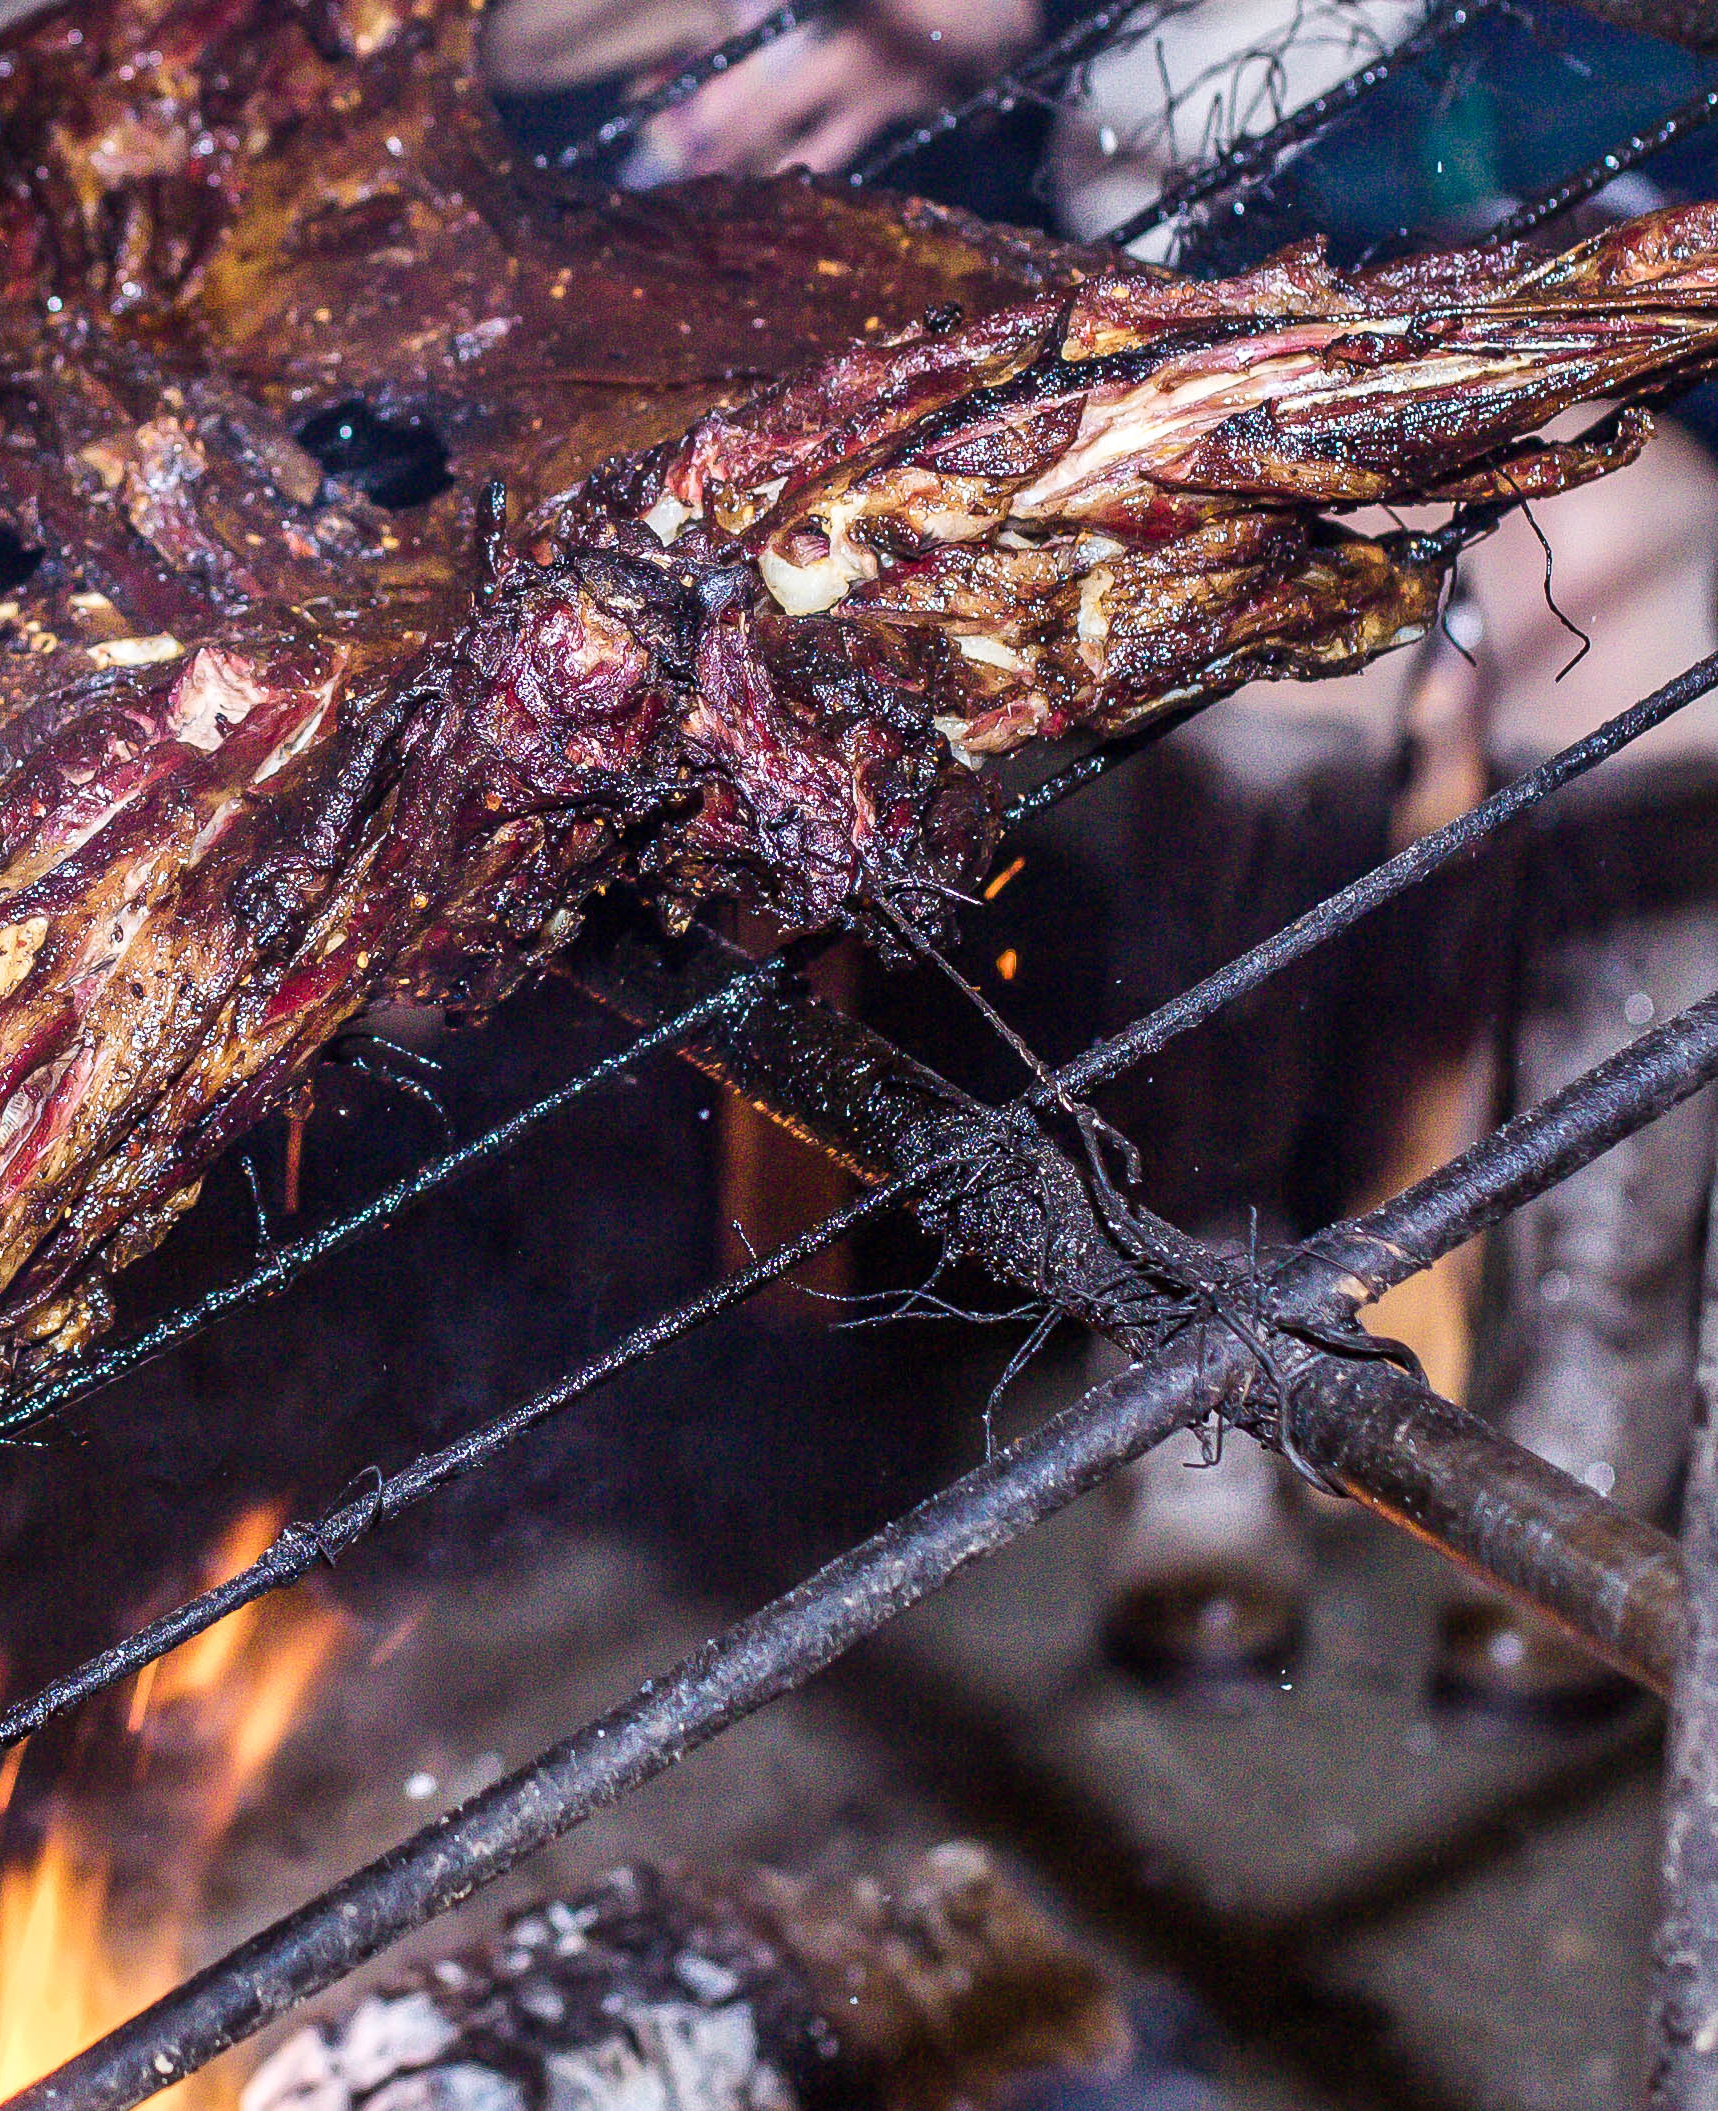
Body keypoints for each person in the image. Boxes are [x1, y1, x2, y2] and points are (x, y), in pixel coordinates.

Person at [552, 0, 1718, 1716]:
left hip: (1632, 214)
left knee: (1635, 608)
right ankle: (1200, 1347)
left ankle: (1589, 1392)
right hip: (1234, 215)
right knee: (1278, 650)